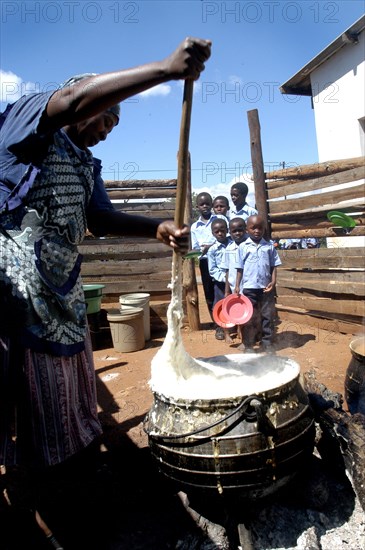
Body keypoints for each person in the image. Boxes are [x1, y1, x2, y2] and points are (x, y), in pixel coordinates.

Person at [0, 37, 211, 475]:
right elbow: (73, 99)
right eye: (104, 118)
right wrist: (165, 70)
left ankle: (67, 459)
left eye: (114, 126)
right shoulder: (29, 123)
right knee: (22, 379)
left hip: (59, 280)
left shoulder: (84, 163)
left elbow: (101, 216)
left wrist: (156, 227)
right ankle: (37, 476)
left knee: (66, 375)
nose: (106, 131)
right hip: (12, 283)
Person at [234, 214, 281, 353]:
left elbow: (274, 266)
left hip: (265, 288)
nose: (257, 231)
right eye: (253, 228)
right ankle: (249, 344)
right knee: (250, 317)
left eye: (260, 228)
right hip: (249, 288)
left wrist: (273, 281)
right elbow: (239, 269)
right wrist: (237, 286)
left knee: (267, 316)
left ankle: (267, 343)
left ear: (264, 229)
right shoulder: (243, 247)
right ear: (247, 229)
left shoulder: (269, 247)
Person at [191, 191, 218, 320]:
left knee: (223, 289)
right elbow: (195, 248)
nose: (205, 206)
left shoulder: (220, 220)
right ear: (197, 207)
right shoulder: (194, 227)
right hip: (205, 262)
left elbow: (227, 238)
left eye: (208, 203)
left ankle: (229, 320)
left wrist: (211, 246)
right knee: (209, 292)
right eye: (202, 204)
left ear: (212, 205)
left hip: (221, 260)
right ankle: (216, 321)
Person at [221, 217, 247, 346]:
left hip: (248, 285)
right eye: (234, 231)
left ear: (245, 229)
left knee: (247, 312)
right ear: (229, 232)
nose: (237, 233)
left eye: (240, 230)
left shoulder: (249, 245)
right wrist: (226, 290)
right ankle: (231, 332)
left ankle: (245, 337)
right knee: (233, 309)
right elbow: (226, 271)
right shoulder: (229, 248)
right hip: (233, 286)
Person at [207, 218, 232, 341]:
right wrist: (224, 278)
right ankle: (220, 327)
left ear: (227, 230)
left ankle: (239, 326)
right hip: (221, 282)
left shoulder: (234, 245)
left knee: (235, 302)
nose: (220, 233)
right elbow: (212, 270)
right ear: (213, 233)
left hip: (235, 281)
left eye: (222, 230)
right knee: (220, 304)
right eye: (217, 232)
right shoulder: (212, 250)